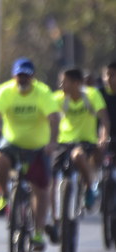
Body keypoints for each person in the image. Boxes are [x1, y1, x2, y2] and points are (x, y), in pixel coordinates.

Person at [0, 58, 59, 252]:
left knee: (40, 190)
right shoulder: (5, 91)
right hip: (12, 142)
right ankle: (5, 195)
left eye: (26, 75)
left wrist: (52, 143)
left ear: (33, 76)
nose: (22, 79)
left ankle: (38, 233)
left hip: (37, 147)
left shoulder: (42, 92)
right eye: (19, 75)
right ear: (14, 76)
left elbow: (54, 119)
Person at [48, 67, 110, 236]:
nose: (61, 85)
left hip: (86, 141)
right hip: (63, 142)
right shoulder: (58, 98)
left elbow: (104, 119)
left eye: (64, 82)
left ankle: (90, 188)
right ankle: (55, 220)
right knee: (52, 177)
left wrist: (103, 138)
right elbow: (47, 117)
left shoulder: (91, 95)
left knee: (78, 155)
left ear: (76, 83)